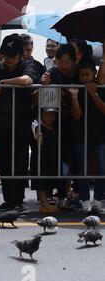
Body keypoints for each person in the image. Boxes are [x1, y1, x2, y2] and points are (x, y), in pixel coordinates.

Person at [0, 34, 39, 213]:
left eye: (12, 57)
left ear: (20, 55)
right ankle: (8, 200)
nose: (9, 60)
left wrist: (5, 82)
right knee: (3, 162)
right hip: (0, 122)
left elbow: (28, 80)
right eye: (6, 56)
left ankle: (18, 199)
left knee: (19, 162)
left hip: (21, 121)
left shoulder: (28, 65)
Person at [41, 44, 81, 210]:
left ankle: (77, 193)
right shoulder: (53, 74)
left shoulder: (80, 75)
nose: (64, 66)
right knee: (60, 159)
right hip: (57, 123)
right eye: (61, 62)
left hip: (78, 122)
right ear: (56, 61)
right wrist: (44, 83)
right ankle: (61, 194)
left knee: (77, 158)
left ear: (74, 61)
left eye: (68, 62)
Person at [69, 57, 105, 214]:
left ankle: (98, 199)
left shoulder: (102, 87)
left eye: (87, 75)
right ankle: (85, 200)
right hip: (80, 134)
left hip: (101, 134)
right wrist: (75, 97)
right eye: (82, 75)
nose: (84, 78)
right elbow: (76, 115)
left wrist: (94, 93)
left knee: (102, 167)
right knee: (82, 169)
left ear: (94, 73)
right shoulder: (77, 88)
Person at [31, 108, 63, 214]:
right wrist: (36, 136)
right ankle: (44, 203)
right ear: (41, 115)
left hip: (52, 158)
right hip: (41, 158)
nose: (49, 118)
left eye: (52, 115)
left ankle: (48, 201)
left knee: (50, 179)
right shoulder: (38, 127)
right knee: (41, 181)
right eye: (46, 115)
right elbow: (35, 130)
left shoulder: (56, 127)